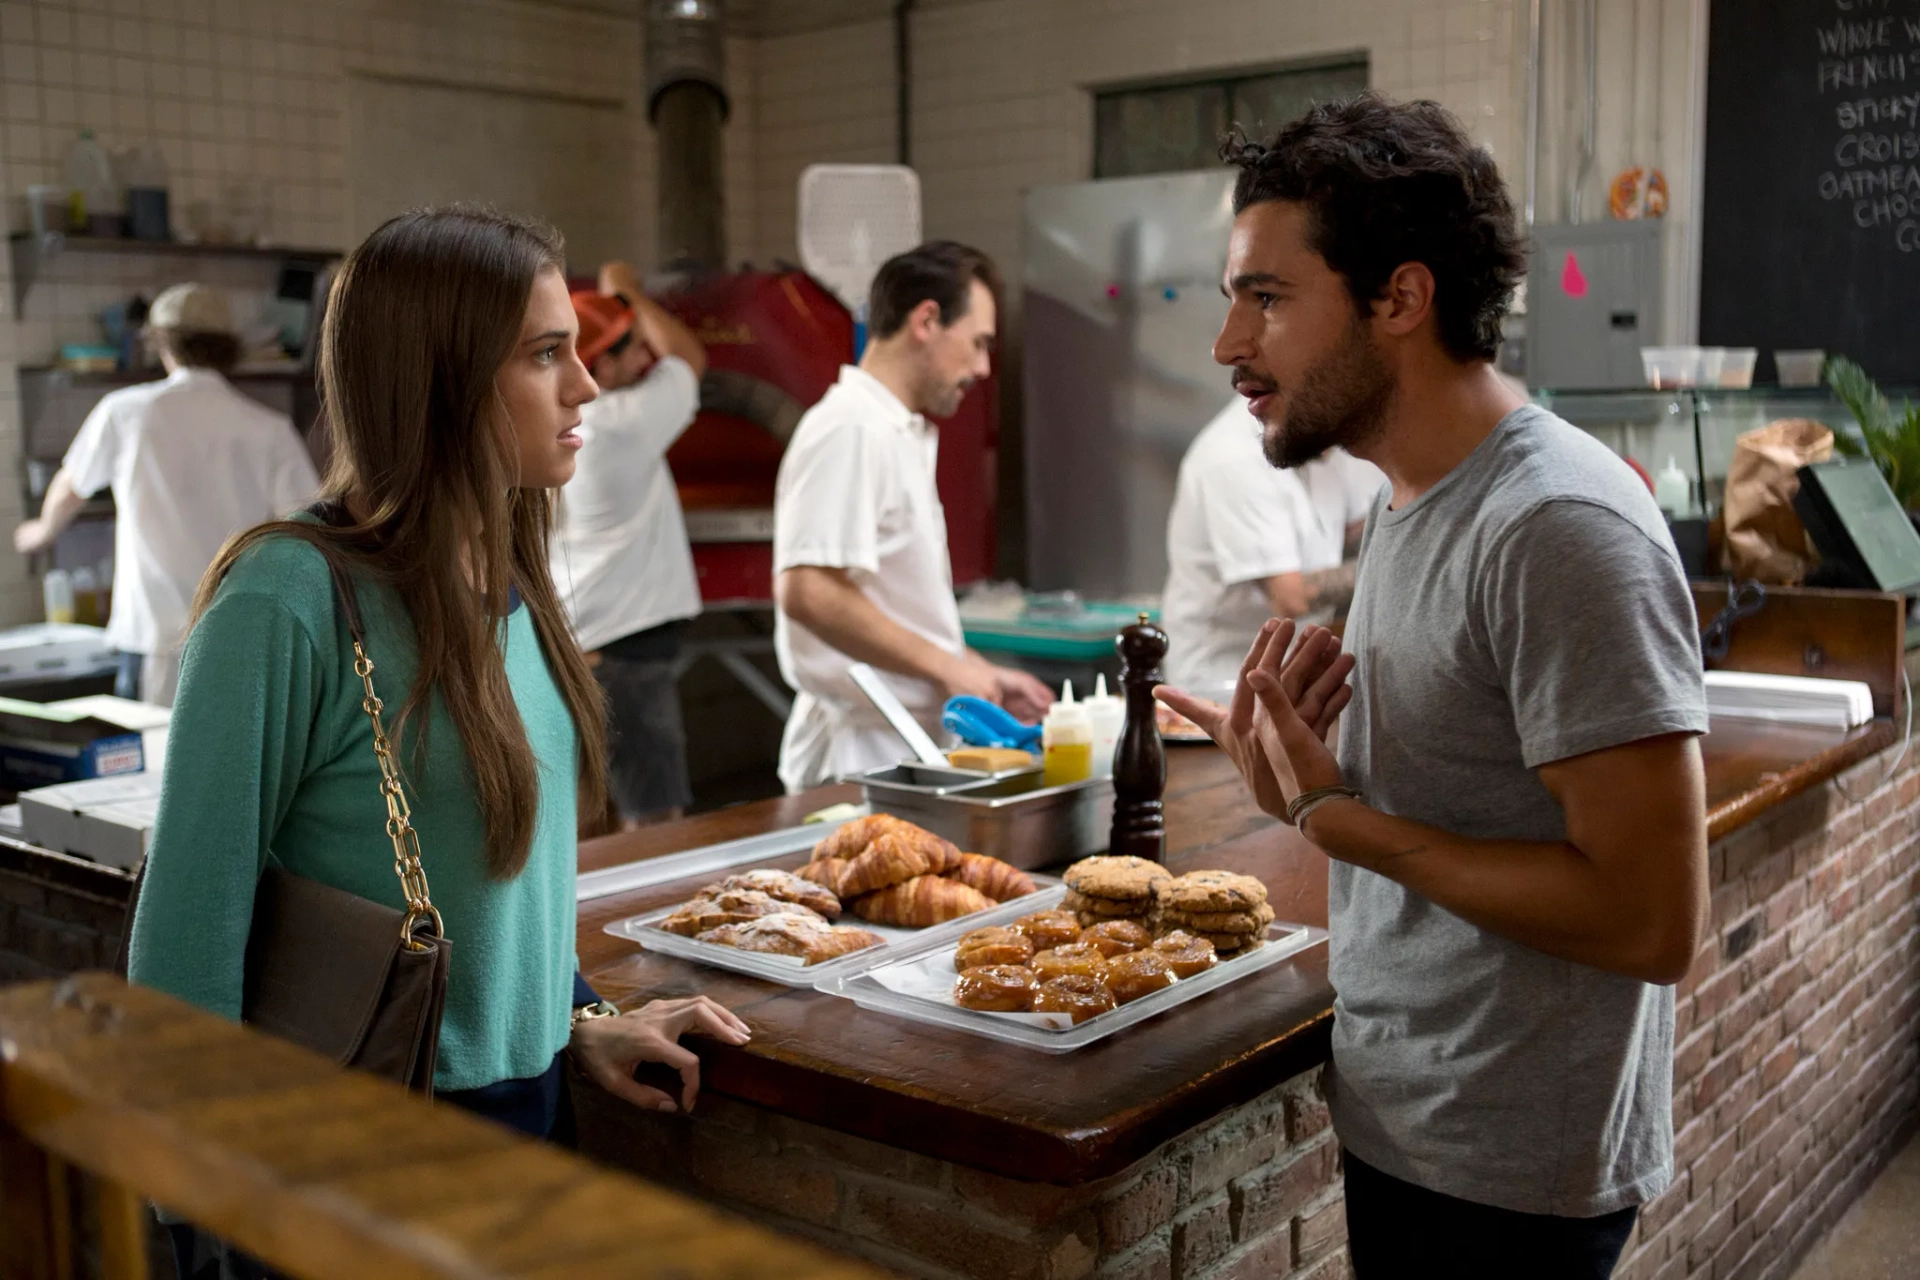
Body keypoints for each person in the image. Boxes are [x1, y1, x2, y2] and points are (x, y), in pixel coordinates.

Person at [128, 209, 749, 1275]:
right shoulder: (287, 595)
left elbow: (501, 880)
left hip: (525, 1128)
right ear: (442, 379)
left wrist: (571, 1017)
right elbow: (187, 932)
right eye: (546, 356)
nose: (587, 388)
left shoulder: (508, 582)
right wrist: (202, 1225)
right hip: (351, 1165)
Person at [1158, 95, 1709, 1278]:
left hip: (1510, 1163)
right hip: (1418, 1117)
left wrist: (1339, 819)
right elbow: (1472, 801)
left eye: (1265, 298)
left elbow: (1652, 916)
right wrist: (1305, 777)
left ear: (1399, 299)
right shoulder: (1405, 494)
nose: (1227, 347)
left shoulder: (1558, 522)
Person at [772, 241, 1053, 791]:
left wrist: (975, 669)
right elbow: (807, 589)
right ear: (926, 320)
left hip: (900, 745)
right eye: (977, 343)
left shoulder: (892, 430)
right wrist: (948, 669)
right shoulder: (852, 429)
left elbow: (892, 603)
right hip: (861, 756)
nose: (982, 368)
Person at [13, 283, 319, 705]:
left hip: (154, 636)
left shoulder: (126, 412)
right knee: (235, 765)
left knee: (155, 764)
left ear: (162, 344)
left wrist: (41, 531)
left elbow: (71, 485)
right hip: (241, 639)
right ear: (227, 347)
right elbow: (309, 526)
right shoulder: (268, 429)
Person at [550, 260, 707, 827]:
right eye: (632, 350)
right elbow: (689, 359)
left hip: (571, 646)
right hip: (626, 658)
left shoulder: (551, 428)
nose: (647, 361)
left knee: (584, 829)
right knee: (655, 826)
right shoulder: (619, 424)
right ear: (596, 367)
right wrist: (631, 291)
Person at [1161, 397, 1381, 690]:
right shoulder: (1234, 458)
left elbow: (1360, 522)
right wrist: (1391, 567)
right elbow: (1291, 597)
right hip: (1221, 680)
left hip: (1288, 671)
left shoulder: (1320, 441)